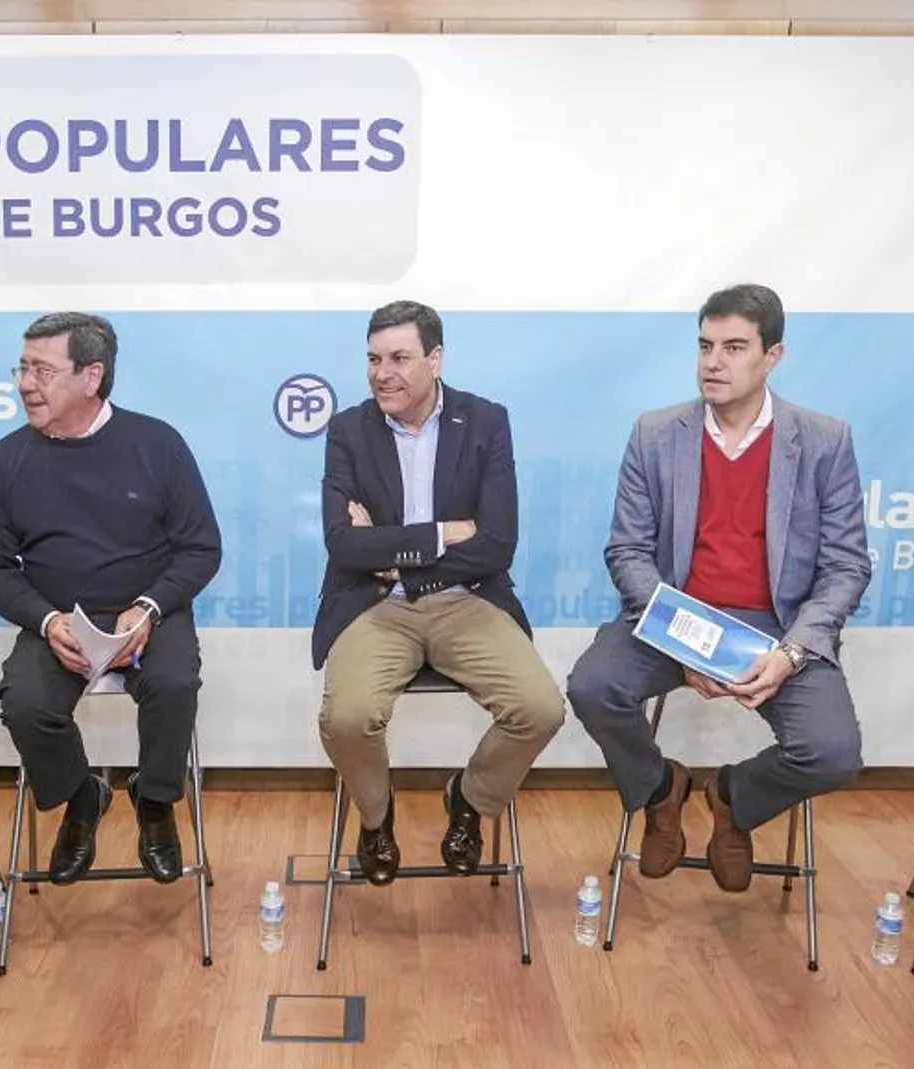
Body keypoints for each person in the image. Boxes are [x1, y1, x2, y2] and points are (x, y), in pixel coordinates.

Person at [566, 284, 869, 892]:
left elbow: (846, 566)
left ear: (773, 356)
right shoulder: (656, 434)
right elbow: (627, 551)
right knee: (591, 687)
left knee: (834, 754)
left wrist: (791, 653)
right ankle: (660, 789)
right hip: (675, 618)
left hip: (777, 629)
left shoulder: (823, 439)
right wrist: (685, 645)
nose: (713, 362)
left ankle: (734, 797)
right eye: (705, 346)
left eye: (734, 347)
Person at [313, 300, 566, 884]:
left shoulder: (485, 421)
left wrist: (399, 557)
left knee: (539, 710)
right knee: (348, 719)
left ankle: (469, 801)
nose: (383, 373)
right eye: (373, 359)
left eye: (400, 358)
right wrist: (441, 534)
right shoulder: (349, 428)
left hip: (467, 597)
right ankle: (376, 816)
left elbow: (498, 543)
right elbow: (343, 546)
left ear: (435, 359)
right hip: (374, 607)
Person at [0, 312, 222, 885]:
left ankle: (155, 802)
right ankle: (82, 797)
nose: (24, 383)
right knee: (27, 705)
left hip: (148, 616)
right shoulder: (6, 460)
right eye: (22, 367)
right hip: (59, 618)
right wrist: (46, 619)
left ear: (92, 376)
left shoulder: (156, 444)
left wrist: (152, 606)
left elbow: (200, 548)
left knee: (173, 685)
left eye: (41, 369)